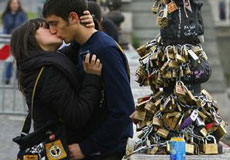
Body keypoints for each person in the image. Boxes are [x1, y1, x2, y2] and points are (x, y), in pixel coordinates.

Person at [42, 0, 135, 159]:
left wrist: (86, 148)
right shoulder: (83, 45)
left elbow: (123, 111)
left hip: (105, 152)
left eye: (54, 23)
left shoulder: (104, 49)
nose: (52, 31)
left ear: (72, 18)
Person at [10, 17, 103, 158]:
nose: (53, 29)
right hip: (69, 149)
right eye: (46, 26)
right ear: (31, 38)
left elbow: (74, 48)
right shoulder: (46, 72)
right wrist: (92, 77)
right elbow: (77, 115)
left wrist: (86, 27)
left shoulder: (43, 62)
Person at [1, 0, 27, 84]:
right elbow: (5, 28)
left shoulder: (22, 15)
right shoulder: (6, 15)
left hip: (19, 41)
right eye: (13, 3)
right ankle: (7, 78)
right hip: (8, 41)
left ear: (19, 5)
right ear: (9, 5)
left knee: (19, 60)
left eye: (16, 3)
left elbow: (25, 26)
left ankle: (18, 78)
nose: (14, 5)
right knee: (9, 61)